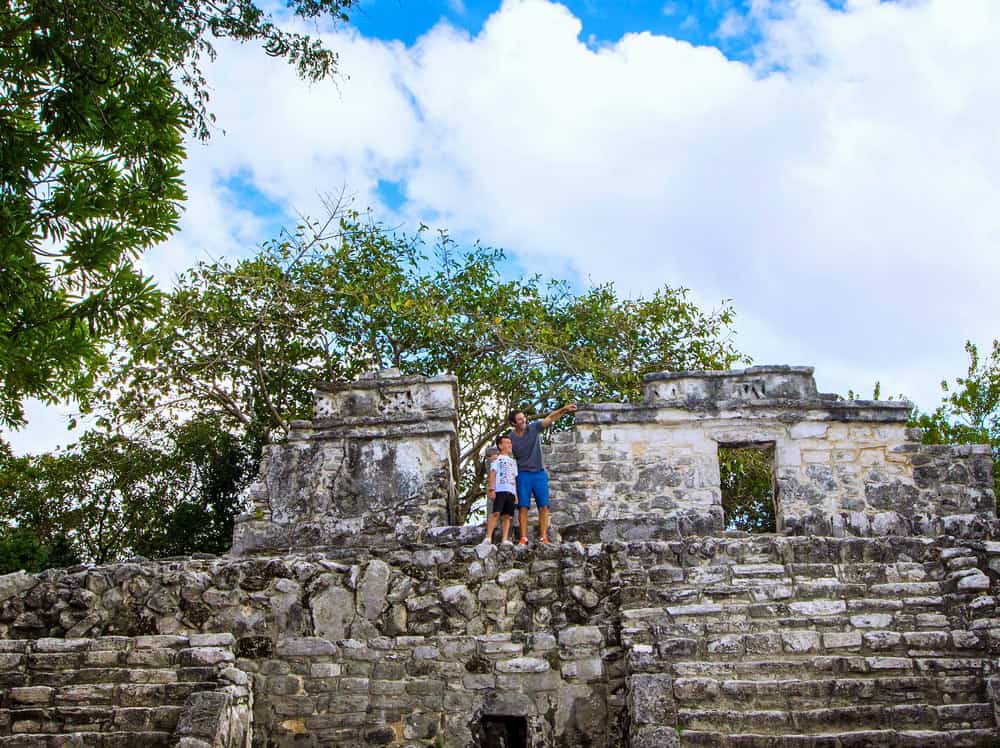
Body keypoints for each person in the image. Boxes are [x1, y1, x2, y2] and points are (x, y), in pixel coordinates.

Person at [507, 403, 577, 545]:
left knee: (543, 506)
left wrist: (564, 410)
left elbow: (550, 418)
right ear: (513, 423)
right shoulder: (510, 438)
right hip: (522, 474)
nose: (523, 420)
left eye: (523, 417)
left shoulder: (533, 428)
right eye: (519, 419)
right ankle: (523, 538)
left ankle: (543, 537)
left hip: (539, 473)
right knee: (523, 507)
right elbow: (504, 455)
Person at [484, 435, 517, 545]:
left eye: (510, 443)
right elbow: (493, 474)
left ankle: (505, 539)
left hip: (510, 491)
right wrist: (491, 489)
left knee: (507, 516)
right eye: (507, 443)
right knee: (496, 513)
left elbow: (513, 477)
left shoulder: (513, 462)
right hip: (500, 490)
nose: (510, 445)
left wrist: (515, 494)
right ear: (500, 445)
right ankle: (488, 537)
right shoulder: (497, 459)